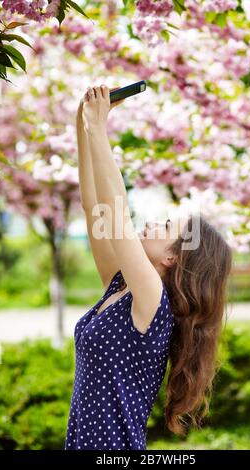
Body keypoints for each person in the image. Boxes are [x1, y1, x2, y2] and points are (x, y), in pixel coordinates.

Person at [64, 84, 232, 450]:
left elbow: (117, 211)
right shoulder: (122, 286)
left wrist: (100, 129)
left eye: (166, 227)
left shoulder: (154, 303)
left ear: (173, 257)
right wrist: (84, 125)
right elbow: (98, 211)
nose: (153, 223)